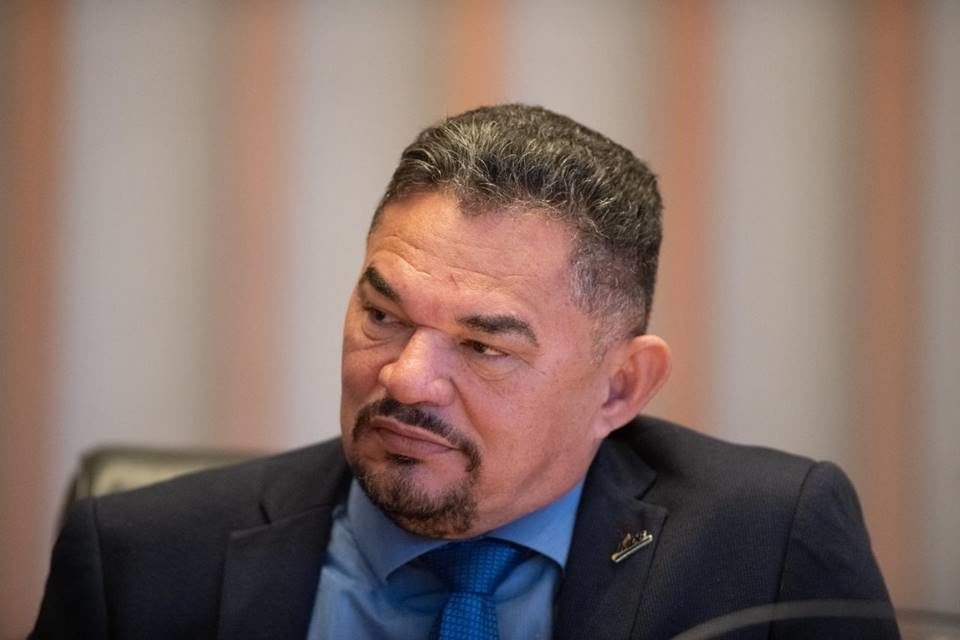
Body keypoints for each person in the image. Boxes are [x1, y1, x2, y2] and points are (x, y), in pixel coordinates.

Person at [32, 104, 898, 639]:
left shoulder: (765, 545)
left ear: (619, 387)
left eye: (484, 347)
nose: (407, 379)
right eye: (383, 316)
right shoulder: (139, 561)